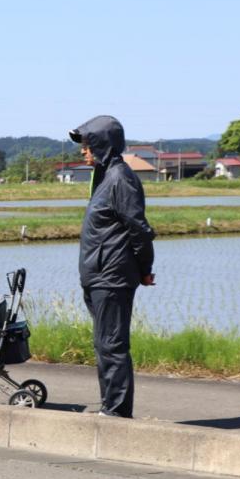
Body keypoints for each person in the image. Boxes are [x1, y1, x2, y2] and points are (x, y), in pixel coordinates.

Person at [70, 115, 156, 418]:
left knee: (111, 344)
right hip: (98, 275)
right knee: (104, 344)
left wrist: (144, 268)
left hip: (112, 276)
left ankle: (117, 413)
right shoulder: (106, 176)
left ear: (101, 144)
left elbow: (139, 229)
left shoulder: (121, 179)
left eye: (87, 144)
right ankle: (111, 407)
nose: (83, 151)